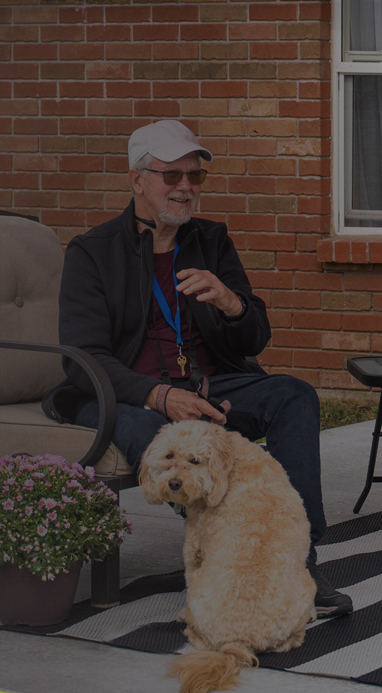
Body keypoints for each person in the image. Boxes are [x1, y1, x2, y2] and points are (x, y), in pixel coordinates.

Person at [43, 120, 353, 617]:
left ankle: (298, 559)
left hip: (210, 384)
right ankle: (233, 558)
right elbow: (83, 358)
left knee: (295, 395)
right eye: (172, 176)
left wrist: (232, 304)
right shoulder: (93, 251)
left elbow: (256, 337)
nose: (186, 187)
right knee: (155, 432)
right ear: (137, 178)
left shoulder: (211, 241)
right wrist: (161, 397)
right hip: (126, 396)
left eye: (195, 176)